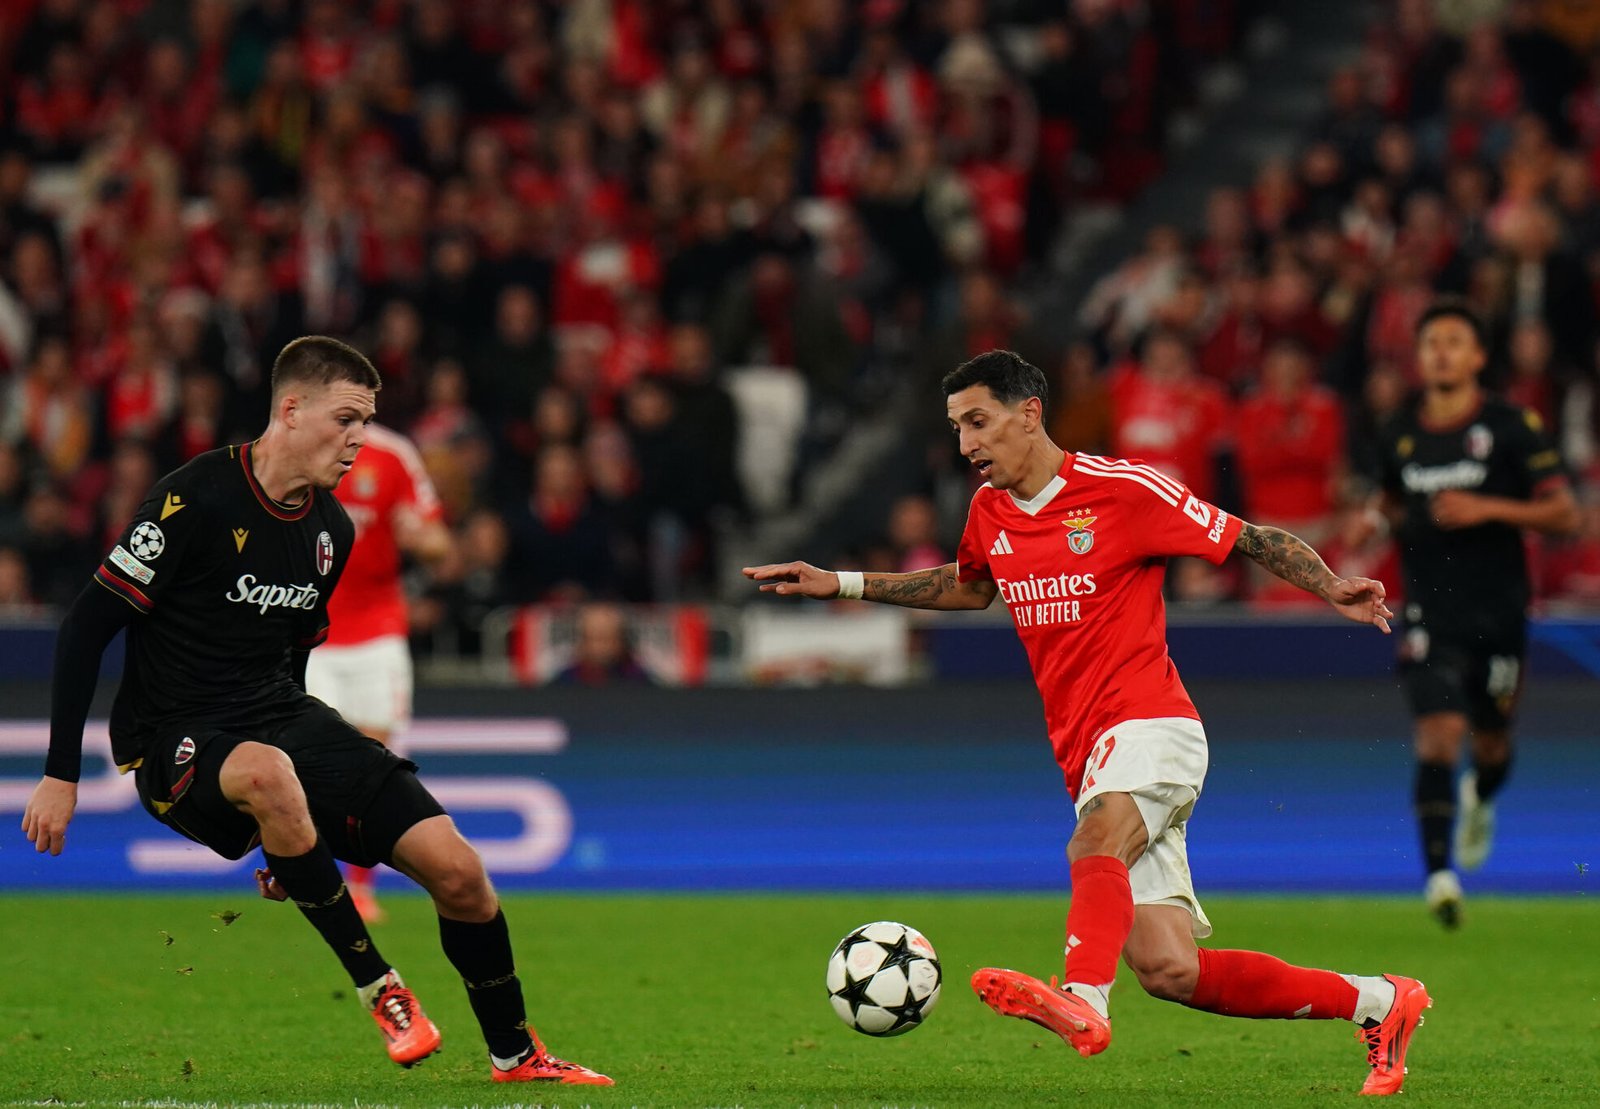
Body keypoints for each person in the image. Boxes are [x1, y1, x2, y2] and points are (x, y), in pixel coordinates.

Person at [746, 350, 1429, 1096]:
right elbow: (969, 587)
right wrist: (839, 582)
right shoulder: (989, 512)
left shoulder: (1123, 489)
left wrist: (1331, 584)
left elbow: (1248, 537)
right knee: (1171, 969)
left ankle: (1083, 997)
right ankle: (1382, 1001)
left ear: (1029, 413)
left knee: (1095, 836)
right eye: (957, 428)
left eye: (978, 421)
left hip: (1153, 723)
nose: (967, 444)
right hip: (1086, 751)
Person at [20, 336, 611, 1086]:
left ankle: (517, 1055)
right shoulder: (192, 498)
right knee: (269, 773)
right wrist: (59, 774)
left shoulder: (333, 531)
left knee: (460, 870)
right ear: (291, 409)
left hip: (279, 715)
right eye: (347, 418)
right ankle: (382, 988)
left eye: (367, 422)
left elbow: (291, 656)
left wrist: (293, 842)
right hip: (174, 736)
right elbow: (86, 626)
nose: (359, 437)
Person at [1370, 300, 1579, 927]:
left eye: (1455, 342)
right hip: (1429, 610)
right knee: (1439, 734)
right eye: (1431, 341)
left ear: (1478, 357)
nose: (1441, 352)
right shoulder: (1400, 431)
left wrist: (1490, 509)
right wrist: (1371, 520)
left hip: (1500, 614)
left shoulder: (1512, 426)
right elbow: (1389, 501)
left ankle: (1481, 798)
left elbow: (1567, 515)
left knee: (1490, 744)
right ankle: (1438, 875)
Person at [304, 420, 453, 924]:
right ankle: (304, 877)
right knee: (309, 762)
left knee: (374, 763)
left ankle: (359, 890)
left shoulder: (393, 455)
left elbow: (437, 542)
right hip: (307, 629)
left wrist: (420, 537)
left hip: (377, 628)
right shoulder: (292, 446)